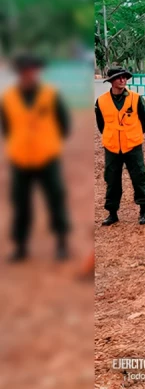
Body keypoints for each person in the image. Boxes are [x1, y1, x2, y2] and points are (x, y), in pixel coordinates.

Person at [1, 55, 70, 261]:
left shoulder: (51, 95)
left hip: (47, 158)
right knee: (20, 203)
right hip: (20, 160)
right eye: (26, 70)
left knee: (55, 199)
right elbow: (6, 128)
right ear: (20, 73)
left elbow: (63, 125)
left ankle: (61, 243)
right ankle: (21, 247)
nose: (30, 74)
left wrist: (48, 143)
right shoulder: (9, 98)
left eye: (33, 70)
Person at [95, 67, 145, 226]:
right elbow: (101, 125)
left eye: (124, 77)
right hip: (112, 146)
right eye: (119, 77)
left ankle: (143, 210)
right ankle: (112, 213)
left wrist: (133, 134)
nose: (122, 80)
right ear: (111, 81)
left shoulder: (136, 98)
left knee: (139, 176)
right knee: (112, 179)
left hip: (132, 145)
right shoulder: (101, 101)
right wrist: (112, 136)